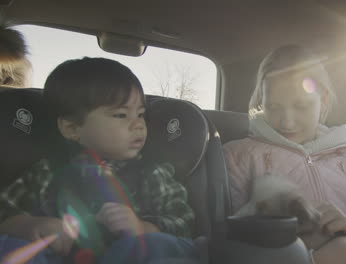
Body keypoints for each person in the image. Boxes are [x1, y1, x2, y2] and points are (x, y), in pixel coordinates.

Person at [223, 44, 346, 264]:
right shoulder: (237, 156)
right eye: (274, 106)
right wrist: (313, 259)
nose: (287, 121)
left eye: (301, 105)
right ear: (261, 102)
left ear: (323, 99)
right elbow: (226, 250)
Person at [0, 57, 199, 264]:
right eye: (121, 115)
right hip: (63, 256)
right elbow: (4, 210)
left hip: (131, 255)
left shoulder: (151, 172)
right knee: (11, 246)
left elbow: (183, 222)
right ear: (72, 128)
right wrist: (31, 225)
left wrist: (141, 228)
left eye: (140, 114)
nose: (139, 125)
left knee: (165, 246)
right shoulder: (47, 170)